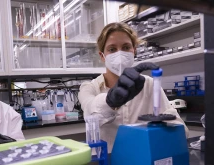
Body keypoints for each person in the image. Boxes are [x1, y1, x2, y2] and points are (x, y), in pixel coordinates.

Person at [79, 23, 188, 152]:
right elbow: (90, 113)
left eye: (126, 47)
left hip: (141, 162)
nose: (120, 54)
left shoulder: (149, 84)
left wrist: (162, 125)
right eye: (112, 49)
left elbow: (181, 131)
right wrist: (110, 102)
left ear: (134, 51)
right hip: (106, 163)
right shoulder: (89, 88)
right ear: (102, 56)